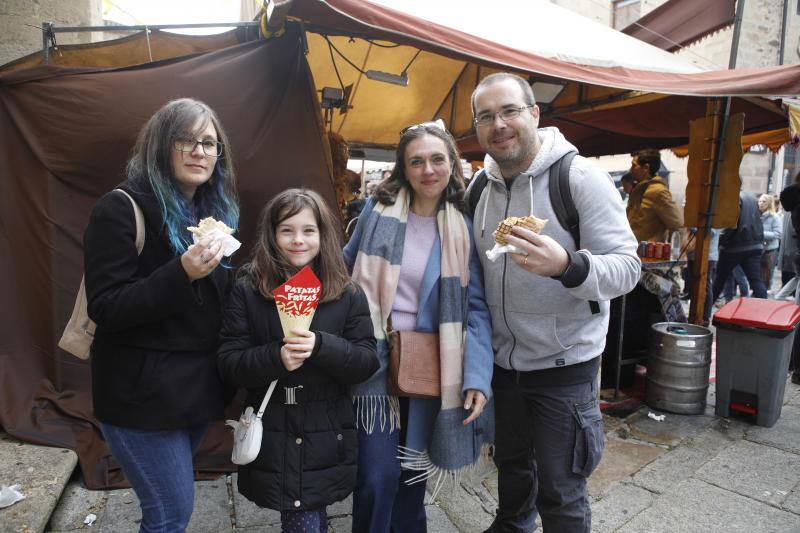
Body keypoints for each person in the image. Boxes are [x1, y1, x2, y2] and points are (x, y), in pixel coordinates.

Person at [469, 73, 640, 532]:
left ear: (534, 114)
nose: (499, 124)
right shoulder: (479, 192)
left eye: (509, 111)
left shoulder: (579, 178)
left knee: (561, 494)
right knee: (512, 476)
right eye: (486, 116)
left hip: (564, 368)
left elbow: (628, 268)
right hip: (504, 368)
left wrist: (569, 266)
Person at [83, 98, 240, 532]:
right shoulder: (119, 209)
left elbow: (212, 307)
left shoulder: (211, 216)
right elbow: (108, 307)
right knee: (171, 512)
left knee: (163, 508)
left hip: (190, 394)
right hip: (141, 398)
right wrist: (181, 273)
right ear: (159, 146)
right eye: (185, 140)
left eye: (209, 143)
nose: (199, 151)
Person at [344, 122, 494, 532]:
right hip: (373, 360)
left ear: (451, 164)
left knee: (411, 476)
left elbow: (477, 307)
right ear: (403, 169)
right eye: (417, 161)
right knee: (377, 478)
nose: (428, 169)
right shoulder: (376, 212)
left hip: (433, 367)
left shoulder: (465, 224)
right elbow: (342, 268)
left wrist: (478, 377)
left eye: (437, 159)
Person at [217, 189, 379, 532]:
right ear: (272, 235)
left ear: (323, 235)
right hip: (276, 424)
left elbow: (366, 361)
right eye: (286, 230)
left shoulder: (346, 292)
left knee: (309, 512)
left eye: (308, 230)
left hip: (327, 427)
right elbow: (229, 362)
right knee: (300, 513)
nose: (298, 240)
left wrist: (321, 346)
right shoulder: (249, 288)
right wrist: (274, 357)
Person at [712, 191, 767, 302]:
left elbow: (730, 225)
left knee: (719, 280)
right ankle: (764, 308)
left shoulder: (733, 197)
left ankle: (704, 311)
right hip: (754, 244)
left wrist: (721, 241)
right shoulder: (751, 199)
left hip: (735, 245)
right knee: (755, 280)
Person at [627, 148, 683, 242]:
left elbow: (677, 224)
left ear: (646, 168)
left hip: (647, 253)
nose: (631, 169)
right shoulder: (640, 189)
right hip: (633, 249)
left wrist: (668, 251)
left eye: (634, 165)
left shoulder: (658, 192)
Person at [758, 193, 782, 290]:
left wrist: (761, 234)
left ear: (769, 203)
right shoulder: (756, 215)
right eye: (759, 201)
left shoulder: (775, 217)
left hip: (769, 250)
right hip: (758, 248)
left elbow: (778, 234)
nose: (761, 203)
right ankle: (758, 291)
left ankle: (764, 292)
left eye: (764, 201)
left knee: (767, 274)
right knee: (758, 273)